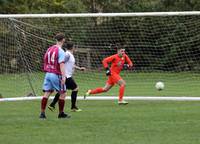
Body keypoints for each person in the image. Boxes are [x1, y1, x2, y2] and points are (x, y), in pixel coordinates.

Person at [39, 33, 70, 119]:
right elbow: (61, 64)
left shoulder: (49, 49)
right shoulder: (61, 51)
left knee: (47, 93)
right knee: (63, 93)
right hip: (56, 74)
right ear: (63, 40)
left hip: (48, 74)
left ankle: (42, 114)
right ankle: (61, 114)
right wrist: (64, 77)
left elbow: (45, 59)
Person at [48, 41, 86, 112]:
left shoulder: (69, 55)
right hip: (66, 76)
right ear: (73, 47)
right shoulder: (67, 55)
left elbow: (70, 64)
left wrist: (79, 68)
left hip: (66, 76)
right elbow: (61, 63)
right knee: (75, 88)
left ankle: (52, 105)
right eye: (74, 47)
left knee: (61, 91)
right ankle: (73, 107)